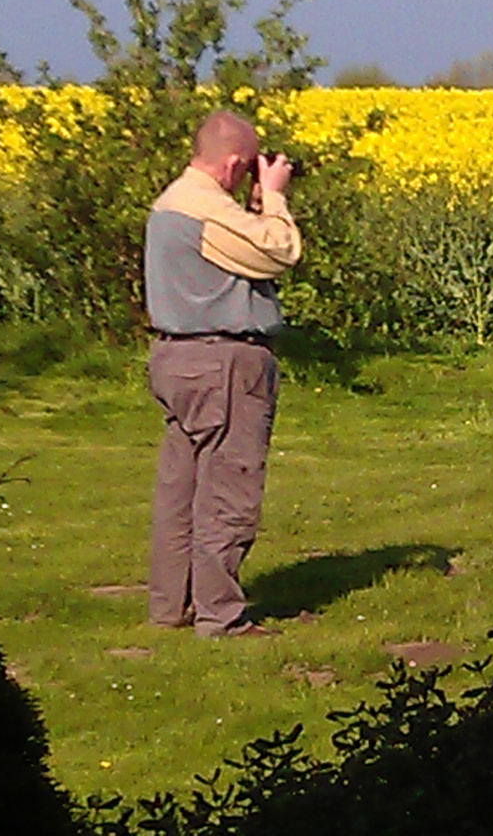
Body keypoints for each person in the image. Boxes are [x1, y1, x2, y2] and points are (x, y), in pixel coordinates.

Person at [143, 110, 300, 637]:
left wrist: (254, 206)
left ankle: (171, 606)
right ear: (235, 162)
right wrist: (274, 196)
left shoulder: (169, 202)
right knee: (228, 490)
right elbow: (279, 252)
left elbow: (240, 250)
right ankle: (221, 616)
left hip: (175, 359)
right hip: (224, 364)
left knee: (180, 491)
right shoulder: (206, 211)